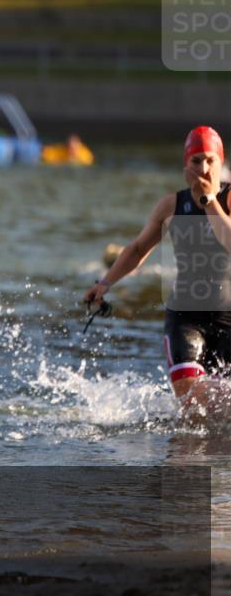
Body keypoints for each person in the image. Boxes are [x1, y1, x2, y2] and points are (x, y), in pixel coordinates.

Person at [84, 126, 231, 420]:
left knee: (222, 415)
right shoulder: (171, 205)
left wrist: (209, 201)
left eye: (210, 160)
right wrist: (105, 283)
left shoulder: (228, 199)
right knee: (193, 411)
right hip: (184, 318)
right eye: (196, 161)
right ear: (185, 166)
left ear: (221, 161)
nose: (203, 168)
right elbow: (138, 249)